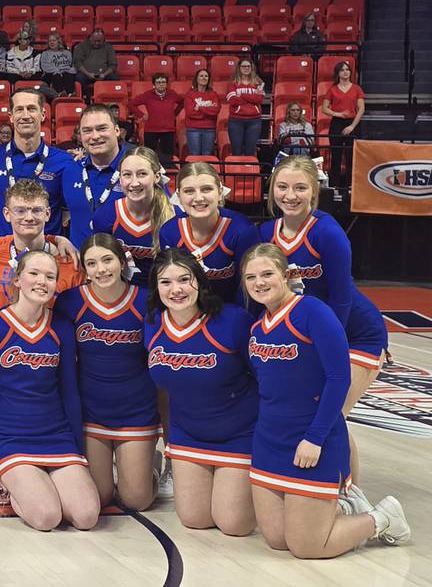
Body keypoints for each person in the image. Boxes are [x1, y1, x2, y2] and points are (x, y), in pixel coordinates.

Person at [241, 244, 411, 557]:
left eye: (267, 274)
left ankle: (382, 518)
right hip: (269, 442)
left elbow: (338, 378)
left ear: (286, 275)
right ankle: (339, 509)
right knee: (277, 539)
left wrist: (315, 438)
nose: (259, 282)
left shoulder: (313, 312)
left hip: (311, 441)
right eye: (251, 277)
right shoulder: (256, 327)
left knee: (307, 546)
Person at [260, 156, 388, 484]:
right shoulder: (265, 233)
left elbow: (342, 298)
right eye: (282, 186)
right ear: (272, 188)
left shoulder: (328, 233)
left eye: (300, 188)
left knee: (331, 416)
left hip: (355, 333)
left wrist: (327, 347)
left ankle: (350, 495)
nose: (290, 195)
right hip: (308, 335)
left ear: (314, 190)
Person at [0, 249, 98, 530]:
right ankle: (18, 489)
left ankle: (41, 485)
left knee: (87, 517)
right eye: (34, 273)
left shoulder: (62, 327)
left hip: (56, 435)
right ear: (17, 279)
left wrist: (78, 452)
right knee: (47, 518)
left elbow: (69, 393)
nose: (42, 281)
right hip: (11, 439)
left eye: (50, 277)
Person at [145, 248, 257, 536]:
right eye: (166, 282)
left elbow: (265, 377)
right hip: (189, 434)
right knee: (194, 519)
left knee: (234, 525)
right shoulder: (153, 323)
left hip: (239, 434)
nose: (176, 289)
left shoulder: (233, 320)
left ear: (199, 280)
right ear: (156, 287)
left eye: (184, 279)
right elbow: (163, 393)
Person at [54, 234, 158, 511]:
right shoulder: (70, 301)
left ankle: (149, 468)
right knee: (99, 498)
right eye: (92, 263)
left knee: (136, 501)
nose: (101, 269)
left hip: (136, 410)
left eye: (107, 260)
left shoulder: (146, 300)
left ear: (122, 262)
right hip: (92, 412)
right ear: (84, 269)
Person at [157, 162, 258, 303]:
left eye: (206, 189)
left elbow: (248, 286)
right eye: (189, 191)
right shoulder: (169, 232)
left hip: (230, 310)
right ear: (179, 196)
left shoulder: (242, 230)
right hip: (187, 309)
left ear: (220, 192)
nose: (198, 198)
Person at [0, 89, 74, 237]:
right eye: (19, 109)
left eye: (31, 109)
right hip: (0, 247)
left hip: (45, 249)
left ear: (43, 114)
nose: (25, 116)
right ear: (11, 117)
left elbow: (69, 212)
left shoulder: (64, 161)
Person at [92, 146, 177, 287]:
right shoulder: (105, 216)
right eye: (127, 175)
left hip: (167, 293)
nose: (134, 182)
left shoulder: (176, 217)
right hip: (123, 293)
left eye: (142, 174)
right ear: (120, 178)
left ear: (156, 176)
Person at [64, 104, 127, 248]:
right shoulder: (70, 170)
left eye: (102, 128)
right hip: (79, 260)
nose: (95, 136)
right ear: (80, 136)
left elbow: (165, 213)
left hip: (125, 260)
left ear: (117, 130)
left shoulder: (138, 170)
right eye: (87, 131)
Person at [321, 61, 364, 188]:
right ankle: (335, 186)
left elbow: (361, 109)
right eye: (342, 70)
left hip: (353, 123)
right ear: (338, 73)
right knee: (336, 156)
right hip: (337, 123)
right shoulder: (332, 89)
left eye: (347, 69)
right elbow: (324, 108)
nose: (345, 72)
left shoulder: (357, 89)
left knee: (351, 157)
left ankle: (350, 186)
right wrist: (338, 114)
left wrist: (352, 126)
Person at [131, 73, 183, 162]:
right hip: (151, 130)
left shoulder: (172, 94)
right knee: (149, 157)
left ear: (166, 84)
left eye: (163, 82)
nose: (161, 84)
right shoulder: (147, 95)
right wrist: (141, 115)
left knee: (168, 158)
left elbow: (182, 102)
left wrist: (174, 113)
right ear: (154, 84)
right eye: (158, 82)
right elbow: (131, 104)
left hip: (168, 130)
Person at [226, 58, 265, 157]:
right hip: (236, 121)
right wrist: (252, 97)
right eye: (243, 66)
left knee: (250, 151)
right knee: (236, 150)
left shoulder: (258, 82)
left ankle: (248, 167)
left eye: (248, 66)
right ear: (239, 68)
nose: (246, 68)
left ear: (252, 68)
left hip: (254, 121)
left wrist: (242, 96)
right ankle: (236, 167)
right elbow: (233, 101)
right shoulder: (232, 83)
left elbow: (259, 99)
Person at [184, 69, 220, 157]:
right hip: (193, 129)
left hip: (209, 129)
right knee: (194, 155)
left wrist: (199, 108)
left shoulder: (213, 94)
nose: (204, 78)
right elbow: (190, 113)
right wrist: (208, 109)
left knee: (207, 155)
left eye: (206, 76)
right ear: (196, 78)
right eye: (201, 76)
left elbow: (215, 111)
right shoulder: (190, 94)